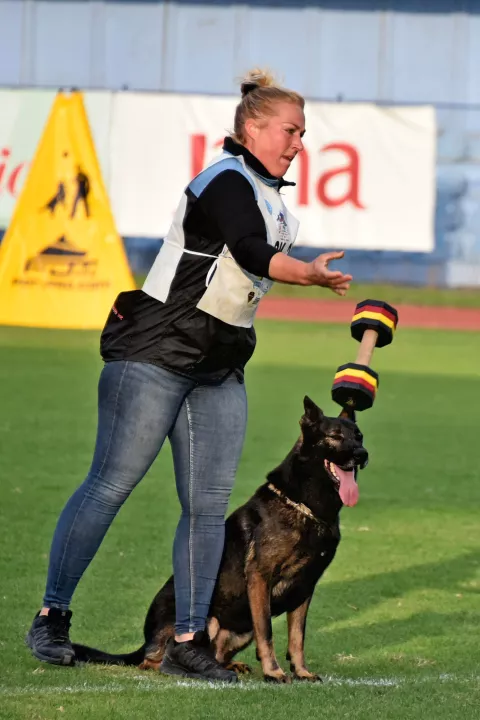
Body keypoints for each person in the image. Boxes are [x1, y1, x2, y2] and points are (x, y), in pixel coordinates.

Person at [26, 68, 352, 682]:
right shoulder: (224, 180)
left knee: (206, 508)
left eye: (303, 133)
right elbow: (251, 251)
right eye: (290, 130)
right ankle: (51, 616)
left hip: (219, 368)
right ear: (252, 128)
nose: (299, 143)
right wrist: (307, 275)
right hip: (153, 354)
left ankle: (187, 642)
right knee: (110, 485)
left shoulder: (270, 194)